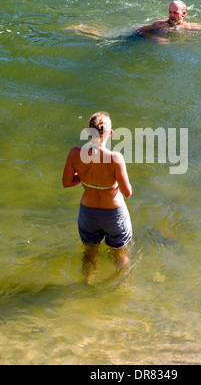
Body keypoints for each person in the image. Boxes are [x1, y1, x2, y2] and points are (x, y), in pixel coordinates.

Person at [62, 112, 132, 281]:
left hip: (88, 213)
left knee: (90, 253)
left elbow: (67, 182)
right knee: (118, 254)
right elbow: (127, 192)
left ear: (88, 132)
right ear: (111, 133)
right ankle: (121, 286)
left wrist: (85, 178)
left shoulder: (74, 153)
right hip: (113, 214)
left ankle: (86, 283)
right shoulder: (115, 158)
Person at [136, 0, 201, 43]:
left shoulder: (191, 27)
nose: (171, 15)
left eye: (175, 13)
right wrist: (156, 38)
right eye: (170, 12)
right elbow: (139, 31)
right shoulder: (159, 24)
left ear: (183, 14)